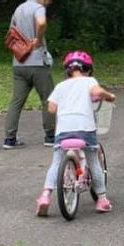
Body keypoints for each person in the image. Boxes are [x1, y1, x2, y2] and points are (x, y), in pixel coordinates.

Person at [35, 51, 117, 216]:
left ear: (67, 71)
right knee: (93, 161)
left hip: (64, 129)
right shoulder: (89, 81)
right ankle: (102, 199)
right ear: (87, 69)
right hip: (84, 128)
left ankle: (45, 196)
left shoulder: (60, 86)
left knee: (56, 161)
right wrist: (110, 96)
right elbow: (98, 93)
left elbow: (51, 107)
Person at [2, 0, 58, 149]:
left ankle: (9, 139)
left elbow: (11, 31)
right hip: (37, 62)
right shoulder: (38, 8)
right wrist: (38, 40)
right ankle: (50, 136)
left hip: (19, 62)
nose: (51, 1)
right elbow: (41, 23)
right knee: (48, 99)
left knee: (16, 101)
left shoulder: (19, 8)